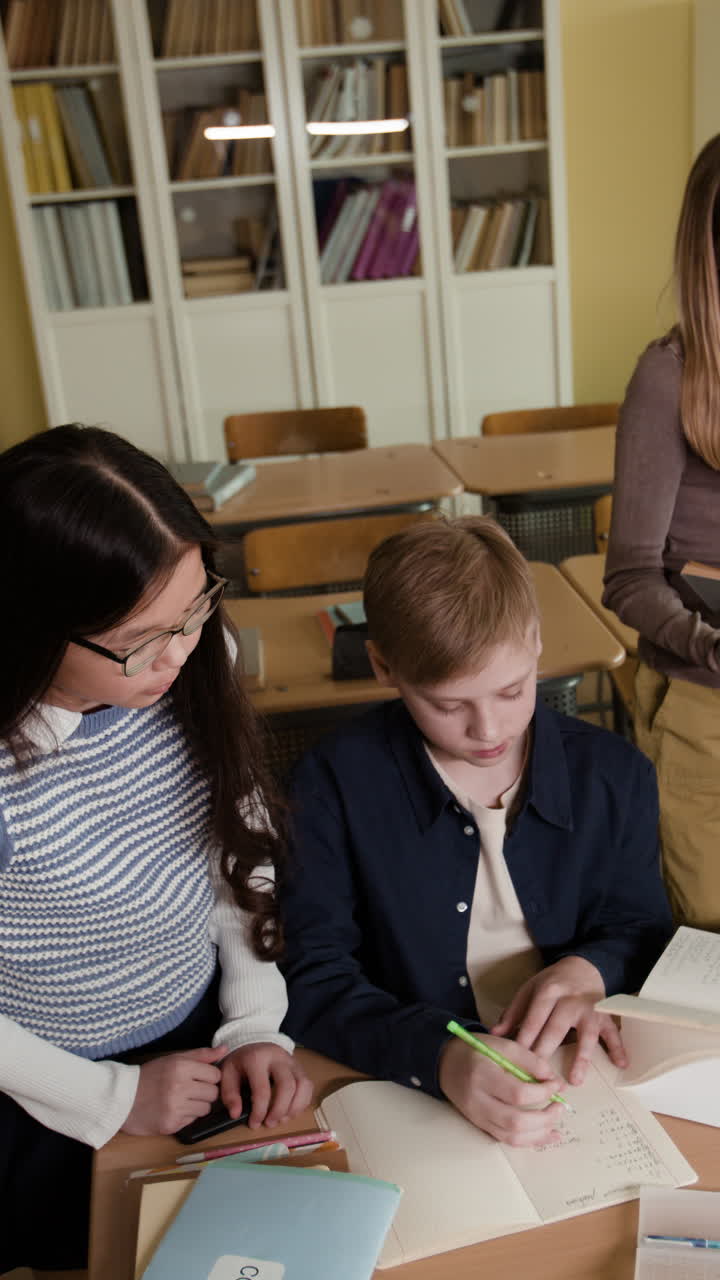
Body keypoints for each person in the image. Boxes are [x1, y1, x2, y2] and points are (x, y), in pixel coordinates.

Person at [0, 425, 312, 1275]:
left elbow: (235, 857)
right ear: (30, 629)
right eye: (143, 640)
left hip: (203, 1030)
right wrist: (115, 1097)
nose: (181, 652)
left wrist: (255, 1020)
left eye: (195, 608)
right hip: (51, 1086)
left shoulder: (196, 660)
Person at [280, 516, 672, 1147]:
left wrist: (590, 970)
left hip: (581, 1074)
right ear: (383, 666)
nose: (489, 731)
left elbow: (643, 928)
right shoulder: (332, 783)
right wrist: (436, 1055)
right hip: (408, 1085)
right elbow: (312, 976)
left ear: (538, 641)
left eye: (512, 691)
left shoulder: (613, 773)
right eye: (448, 704)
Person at [603, 132, 720, 930]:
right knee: (708, 937)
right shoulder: (669, 375)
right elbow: (629, 578)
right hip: (703, 705)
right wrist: (709, 644)